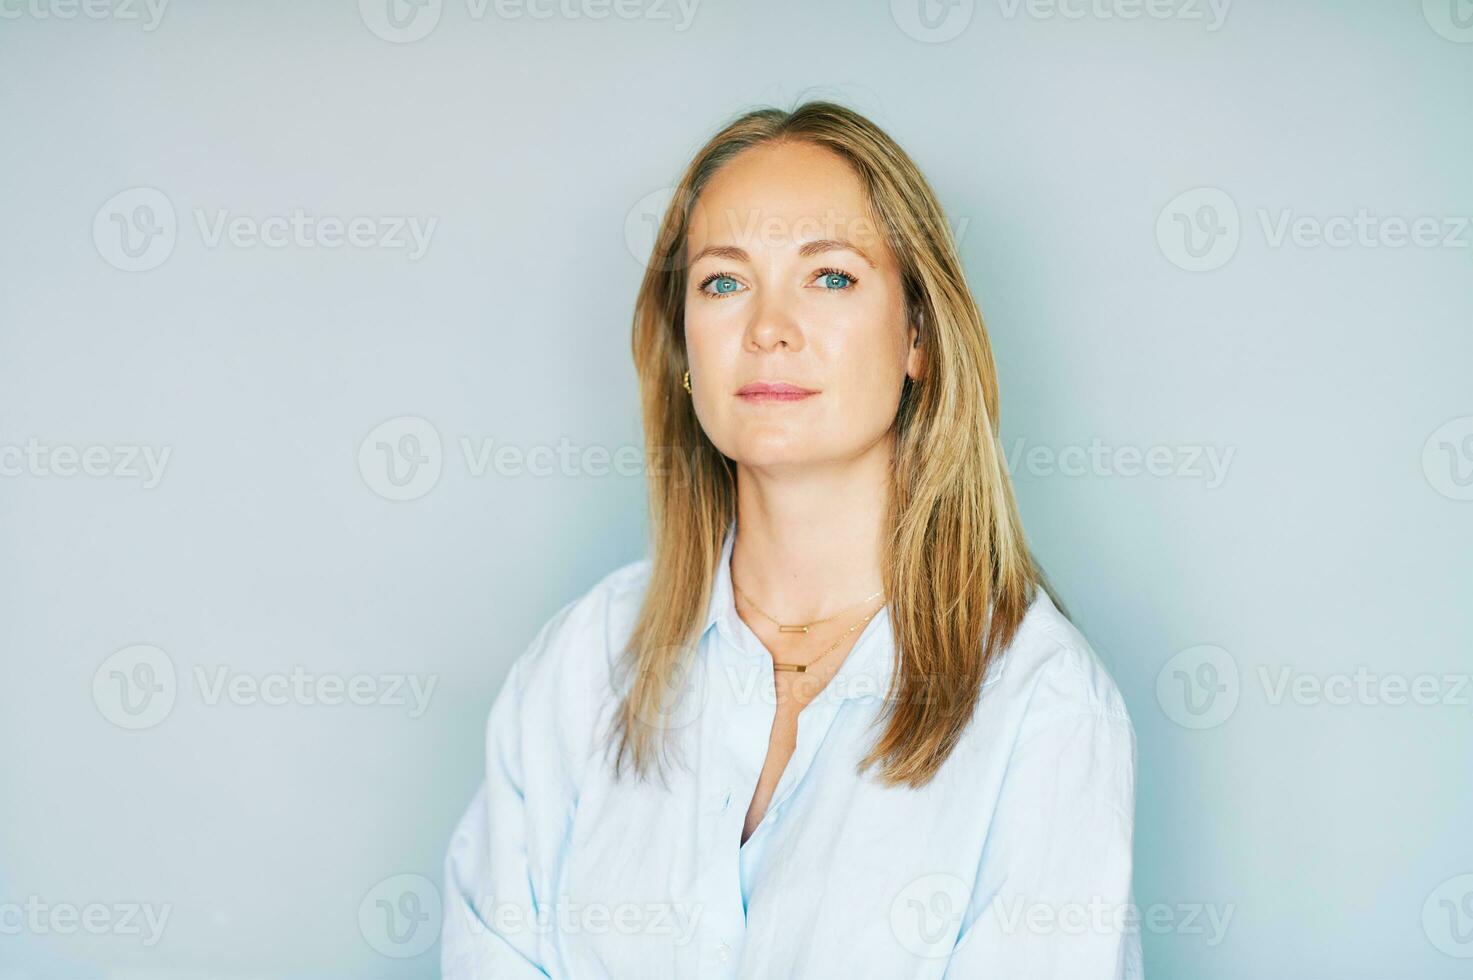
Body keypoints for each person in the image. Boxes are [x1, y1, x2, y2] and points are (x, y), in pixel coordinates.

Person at [441, 101, 1141, 978]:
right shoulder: (579, 668)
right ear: (685, 345)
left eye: (830, 277)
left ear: (917, 334)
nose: (768, 328)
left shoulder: (1042, 707)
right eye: (723, 283)